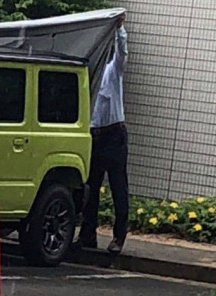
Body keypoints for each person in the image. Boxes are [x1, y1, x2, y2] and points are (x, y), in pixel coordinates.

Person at [77, 14, 129, 254]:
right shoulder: (86, 76)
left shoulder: (112, 71)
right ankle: (87, 235)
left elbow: (122, 54)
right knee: (91, 186)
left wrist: (119, 29)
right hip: (94, 136)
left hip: (114, 134)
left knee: (118, 186)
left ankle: (119, 236)